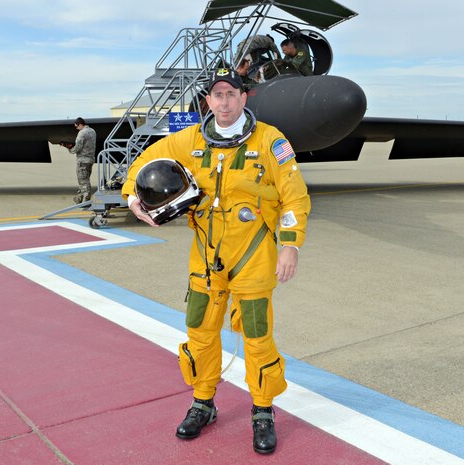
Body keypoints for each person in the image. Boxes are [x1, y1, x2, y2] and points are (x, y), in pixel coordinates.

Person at [122, 68, 310, 455]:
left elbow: (294, 197)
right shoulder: (188, 141)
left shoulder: (271, 141)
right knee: (200, 335)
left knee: (257, 339)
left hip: (254, 258)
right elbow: (140, 166)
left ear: (244, 98)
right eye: (216, 95)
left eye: (231, 94)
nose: (223, 102)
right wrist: (132, 199)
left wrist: (290, 245)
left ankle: (262, 410)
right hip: (206, 261)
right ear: (207, 101)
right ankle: (203, 402)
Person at [62, 117, 96, 203]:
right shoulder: (92, 131)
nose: (76, 128)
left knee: (83, 181)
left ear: (80, 124)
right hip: (90, 159)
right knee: (85, 179)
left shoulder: (82, 133)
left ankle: (86, 200)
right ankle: (79, 197)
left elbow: (78, 147)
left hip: (82, 160)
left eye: (77, 127)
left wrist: (69, 148)